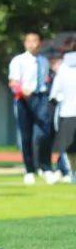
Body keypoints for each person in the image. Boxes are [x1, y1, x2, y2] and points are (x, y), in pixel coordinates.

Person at [8, 31, 55, 185]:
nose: (31, 44)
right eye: (28, 41)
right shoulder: (18, 60)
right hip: (23, 99)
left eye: (35, 41)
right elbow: (13, 82)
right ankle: (29, 170)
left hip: (40, 98)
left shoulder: (43, 61)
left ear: (39, 43)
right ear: (25, 43)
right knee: (26, 135)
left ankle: (46, 166)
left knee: (44, 132)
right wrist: (22, 90)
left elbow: (46, 79)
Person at [49, 47, 76, 183]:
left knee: (68, 147)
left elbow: (53, 96)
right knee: (68, 148)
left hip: (67, 115)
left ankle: (69, 172)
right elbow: (54, 95)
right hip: (67, 113)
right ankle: (70, 172)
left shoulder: (62, 70)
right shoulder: (63, 71)